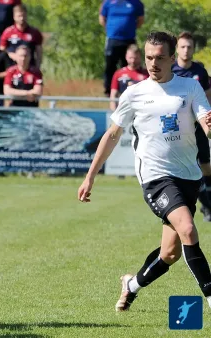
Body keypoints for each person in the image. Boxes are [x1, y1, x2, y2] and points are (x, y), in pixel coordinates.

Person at [77, 31, 211, 312]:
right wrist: (90, 176)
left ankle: (131, 285)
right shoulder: (135, 93)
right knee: (187, 229)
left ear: (172, 58)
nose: (153, 63)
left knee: (170, 253)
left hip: (188, 176)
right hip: (156, 177)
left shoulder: (190, 88)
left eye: (160, 57)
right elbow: (112, 135)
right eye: (149, 57)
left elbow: (205, 123)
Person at [172, 31, 211, 221]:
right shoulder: (170, 71)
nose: (186, 50)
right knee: (184, 168)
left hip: (198, 128)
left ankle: (208, 203)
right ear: (177, 49)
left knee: (205, 167)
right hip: (176, 130)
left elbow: (208, 98)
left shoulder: (200, 72)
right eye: (183, 47)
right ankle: (198, 206)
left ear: (193, 49)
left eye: (189, 47)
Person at [99, 0, 145, 95]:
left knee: (130, 64)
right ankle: (109, 91)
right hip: (113, 39)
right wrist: (111, 30)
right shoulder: (108, 2)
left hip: (129, 40)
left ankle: (128, 90)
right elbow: (102, 19)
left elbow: (140, 21)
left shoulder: (137, 3)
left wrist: (129, 28)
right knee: (110, 65)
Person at [109, 44, 148, 111]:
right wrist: (114, 112)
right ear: (126, 57)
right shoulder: (118, 74)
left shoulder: (147, 74)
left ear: (140, 58)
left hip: (142, 109)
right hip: (124, 109)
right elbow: (113, 96)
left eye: (135, 58)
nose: (133, 61)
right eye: (131, 58)